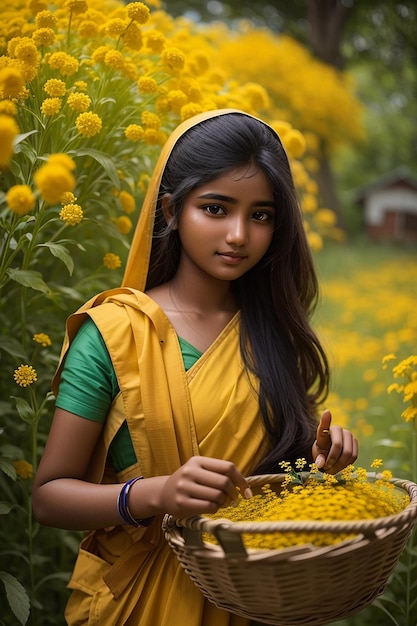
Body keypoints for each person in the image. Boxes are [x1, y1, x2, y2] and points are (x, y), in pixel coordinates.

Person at [32, 109, 358, 626]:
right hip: (138, 600)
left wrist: (318, 471)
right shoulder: (113, 333)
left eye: (261, 215)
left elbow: (264, 496)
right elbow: (49, 498)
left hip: (255, 598)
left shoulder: (272, 334)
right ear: (170, 210)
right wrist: (156, 493)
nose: (238, 235)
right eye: (215, 208)